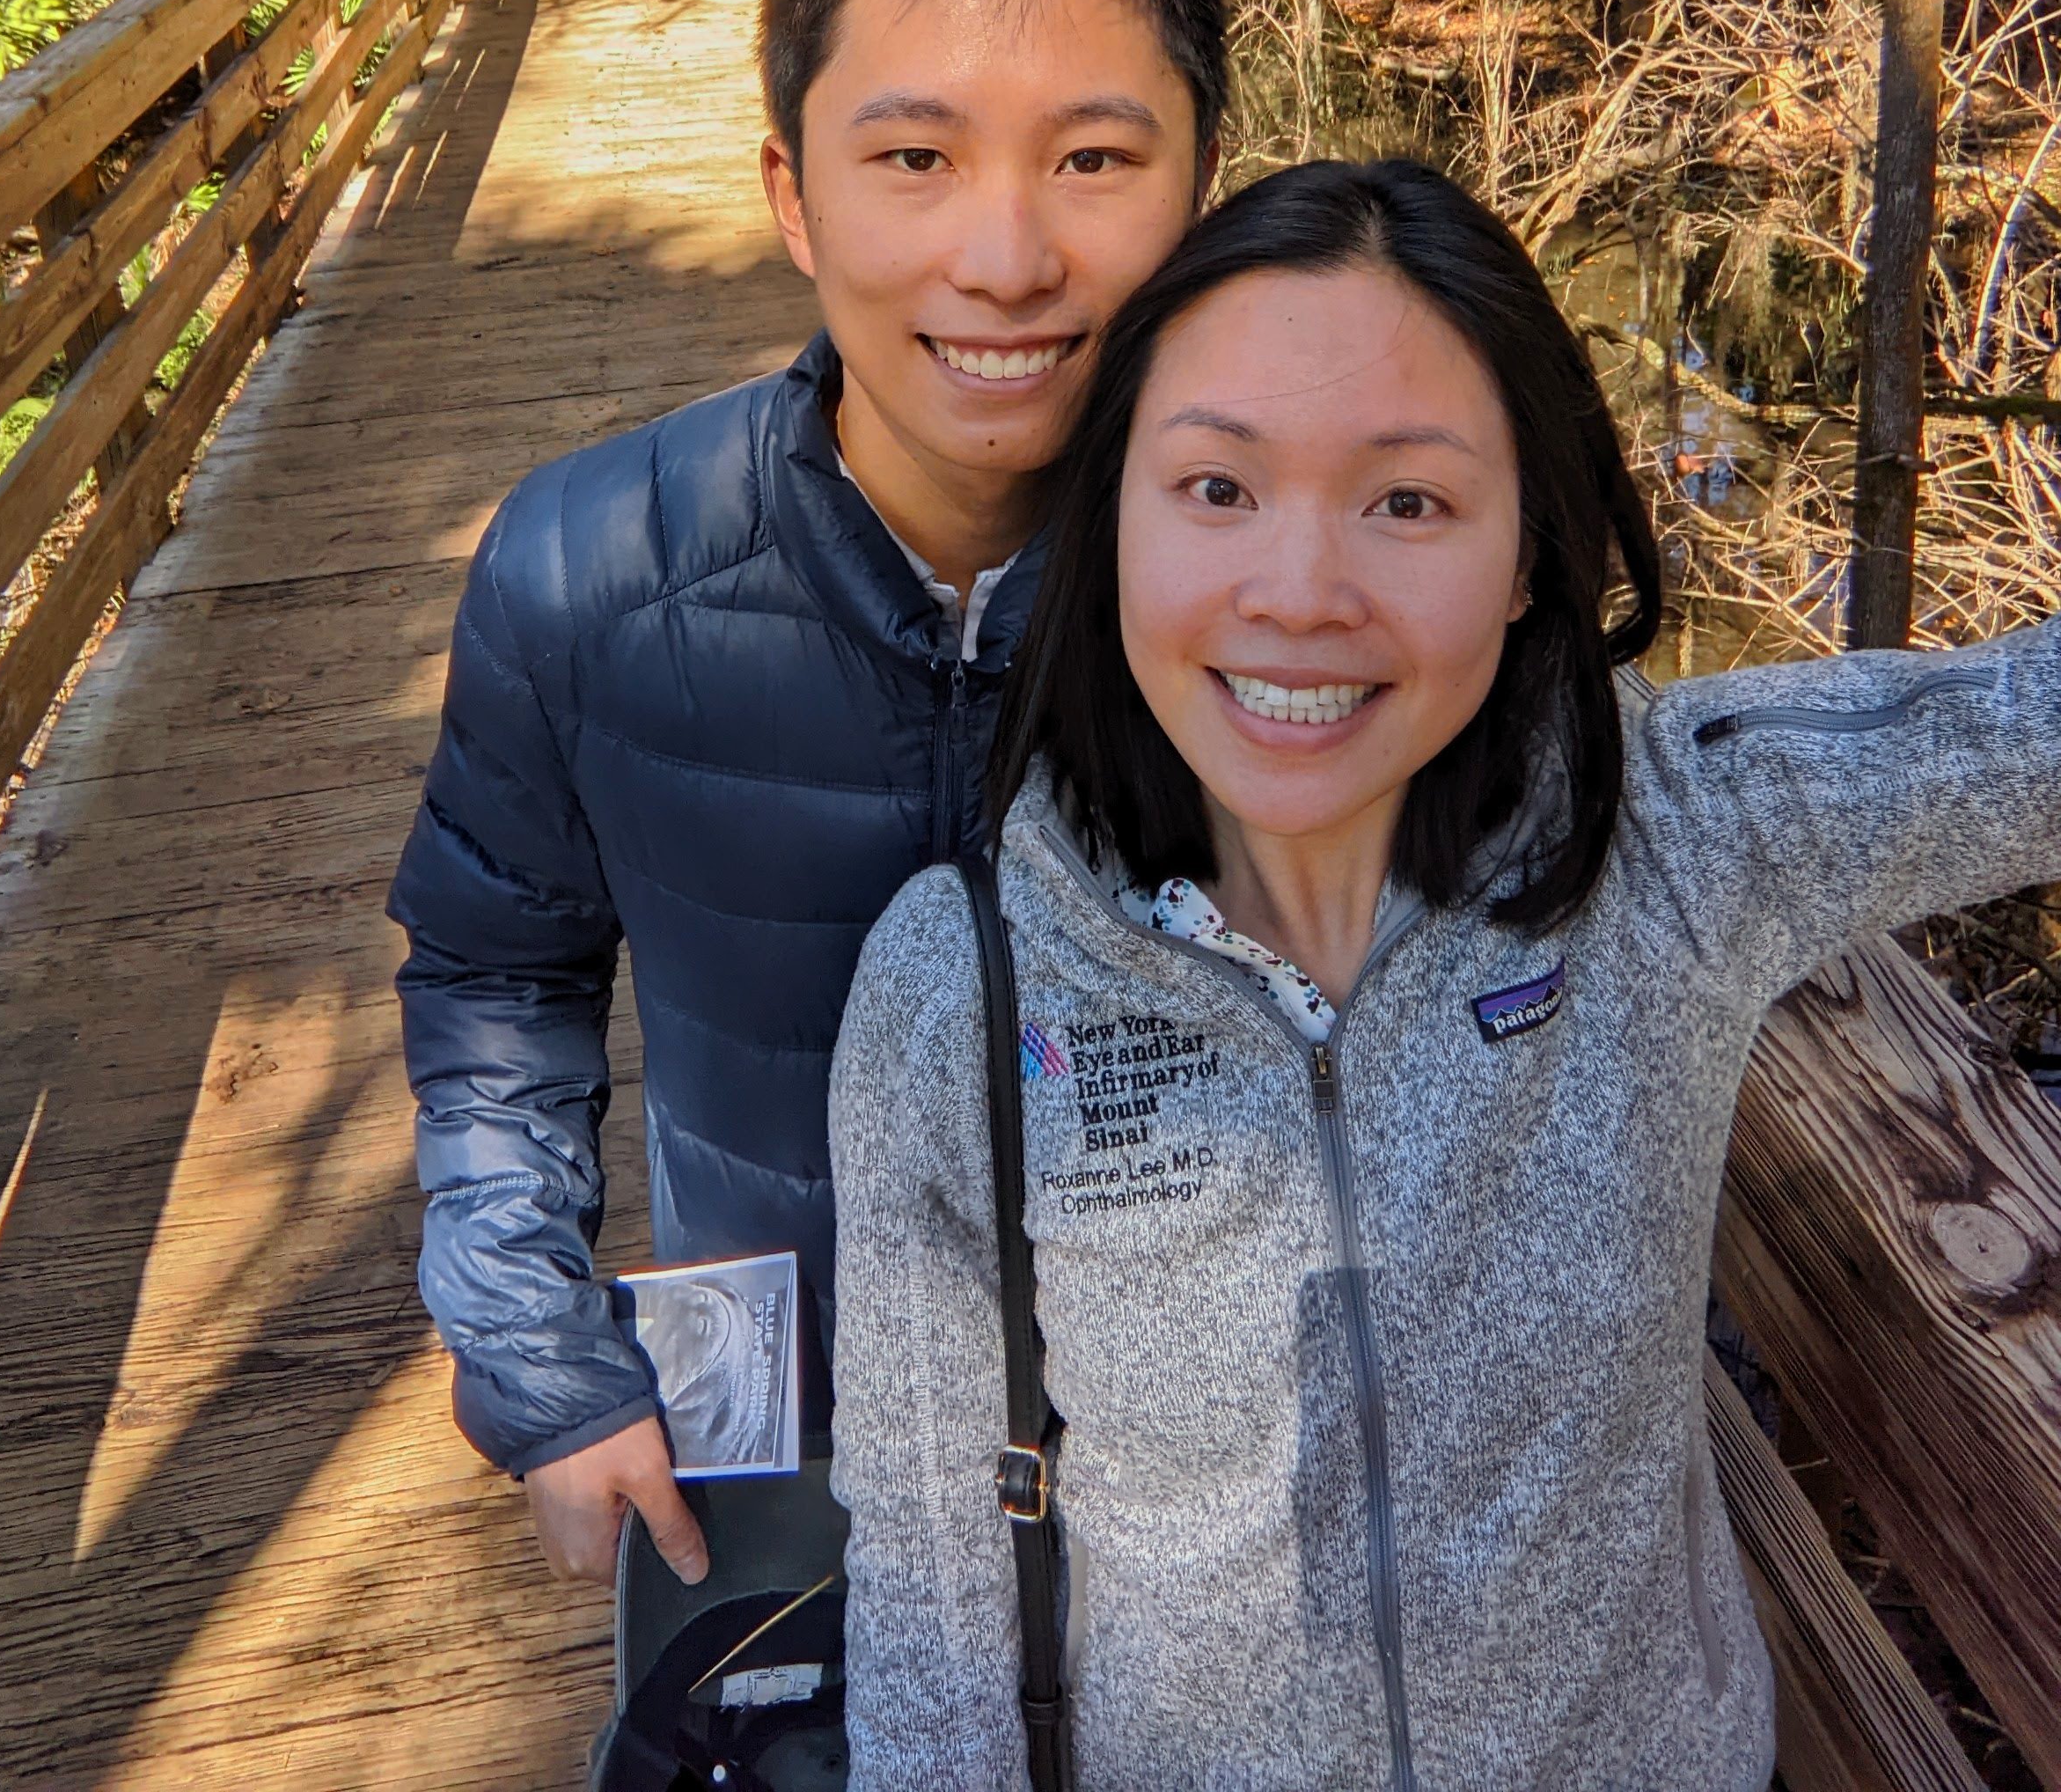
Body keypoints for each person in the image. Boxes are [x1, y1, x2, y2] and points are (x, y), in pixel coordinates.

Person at [829, 156, 2061, 1790]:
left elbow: (2019, 730)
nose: (1297, 591)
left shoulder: (1675, 848)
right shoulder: (962, 985)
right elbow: (928, 1613)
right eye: (1215, 488)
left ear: (1530, 553)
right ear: (1110, 511)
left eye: (1406, 500)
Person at [391, 0, 1228, 1598]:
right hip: (784, 1462)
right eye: (914, 159)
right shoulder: (586, 573)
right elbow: (494, 971)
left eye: (1094, 159)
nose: (1005, 260)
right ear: (791, 195)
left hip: (1203, 1485)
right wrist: (546, 1367)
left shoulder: (1293, 609)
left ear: (1204, 188)